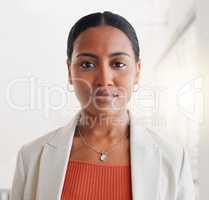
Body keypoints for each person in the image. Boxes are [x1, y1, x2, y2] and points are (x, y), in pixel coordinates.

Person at [10, 11, 195, 200]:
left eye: (118, 64)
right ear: (69, 71)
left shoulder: (173, 159)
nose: (104, 80)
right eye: (87, 65)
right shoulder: (31, 158)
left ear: (137, 71)